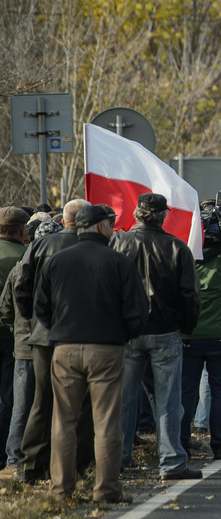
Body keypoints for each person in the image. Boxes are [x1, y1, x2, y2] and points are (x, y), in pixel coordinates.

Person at [34, 204, 148, 503]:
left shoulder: (57, 261)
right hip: (107, 348)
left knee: (63, 421)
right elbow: (138, 311)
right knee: (107, 422)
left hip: (65, 347)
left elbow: (40, 308)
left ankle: (61, 490)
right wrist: (124, 335)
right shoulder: (119, 262)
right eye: (110, 224)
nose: (113, 228)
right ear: (100, 227)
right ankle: (106, 489)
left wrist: (61, 329)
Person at [109, 193, 202, 481]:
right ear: (163, 216)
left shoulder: (118, 244)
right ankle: (171, 461)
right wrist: (186, 326)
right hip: (165, 330)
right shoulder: (176, 247)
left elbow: (109, 289)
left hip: (127, 332)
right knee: (168, 399)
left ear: (137, 214)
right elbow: (190, 294)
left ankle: (120, 459)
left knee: (123, 399)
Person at [14, 198, 91, 484]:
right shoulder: (93, 248)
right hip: (82, 335)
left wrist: (35, 319)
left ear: (64, 219)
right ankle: (78, 465)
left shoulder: (40, 245)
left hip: (44, 335)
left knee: (42, 402)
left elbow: (23, 286)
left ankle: (32, 466)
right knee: (82, 404)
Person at [181, 207, 221, 462]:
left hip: (189, 335)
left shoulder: (185, 257)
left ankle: (182, 445)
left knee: (186, 393)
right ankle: (220, 445)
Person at [0, 207, 29, 476]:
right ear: (22, 230)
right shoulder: (25, 258)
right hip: (11, 336)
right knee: (10, 397)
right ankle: (7, 455)